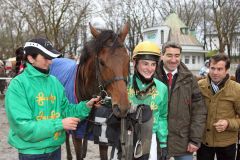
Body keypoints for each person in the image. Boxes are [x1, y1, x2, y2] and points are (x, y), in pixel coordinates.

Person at [5, 37, 100, 160]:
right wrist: (59, 124)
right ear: (31, 58)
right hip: (32, 154)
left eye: (51, 58)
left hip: (55, 150)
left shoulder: (54, 82)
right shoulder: (18, 85)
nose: (50, 62)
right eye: (46, 57)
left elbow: (66, 110)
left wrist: (86, 106)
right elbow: (23, 127)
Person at [155, 41, 207, 160]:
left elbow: (199, 110)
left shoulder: (189, 79)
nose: (173, 60)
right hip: (157, 141)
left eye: (177, 55)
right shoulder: (152, 77)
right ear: (162, 56)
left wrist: (195, 139)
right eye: (169, 55)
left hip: (183, 142)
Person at [128, 41, 168, 160]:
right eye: (145, 64)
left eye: (153, 64)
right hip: (126, 136)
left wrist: (163, 143)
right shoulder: (124, 84)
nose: (149, 68)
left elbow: (162, 116)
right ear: (135, 63)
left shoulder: (162, 88)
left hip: (150, 139)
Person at [197, 54, 240, 160]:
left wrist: (228, 123)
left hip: (227, 143)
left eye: (220, 69)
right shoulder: (199, 86)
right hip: (204, 141)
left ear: (227, 70)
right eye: (212, 68)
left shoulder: (237, 89)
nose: (215, 72)